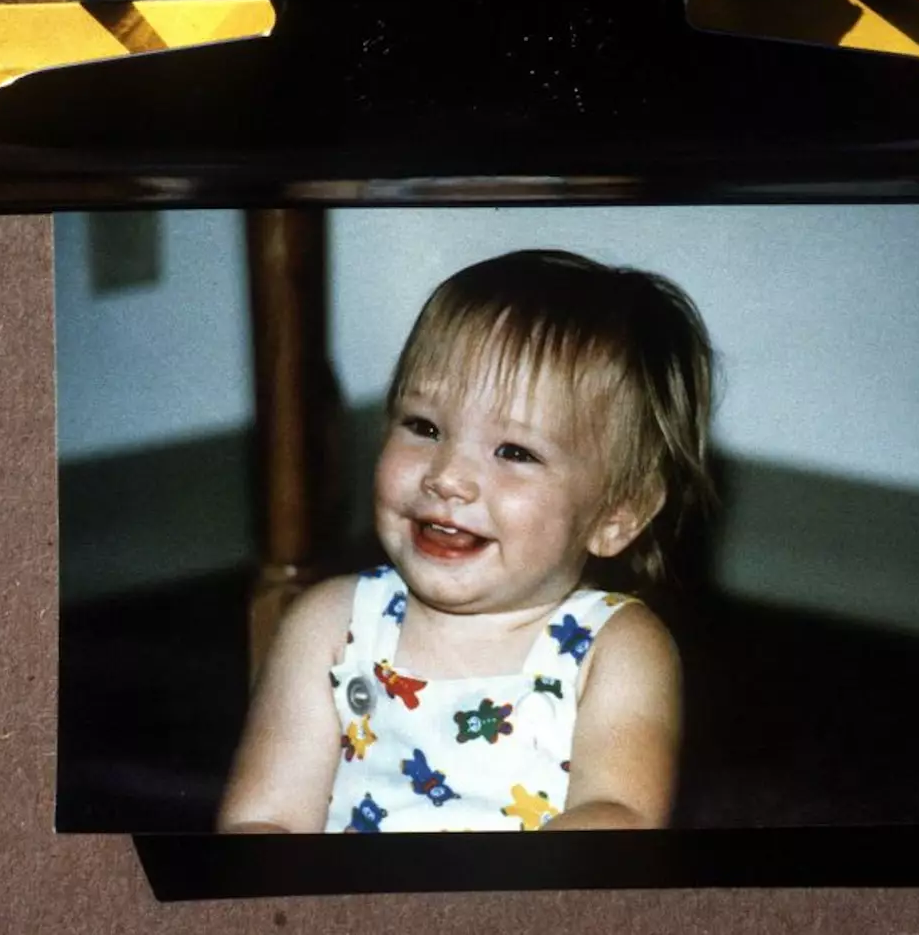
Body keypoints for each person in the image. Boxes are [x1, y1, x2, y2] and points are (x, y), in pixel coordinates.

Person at [219, 249, 713, 833]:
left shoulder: (617, 649)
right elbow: (264, 819)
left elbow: (619, 818)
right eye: (423, 427)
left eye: (515, 452)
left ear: (617, 516)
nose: (446, 476)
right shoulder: (331, 626)